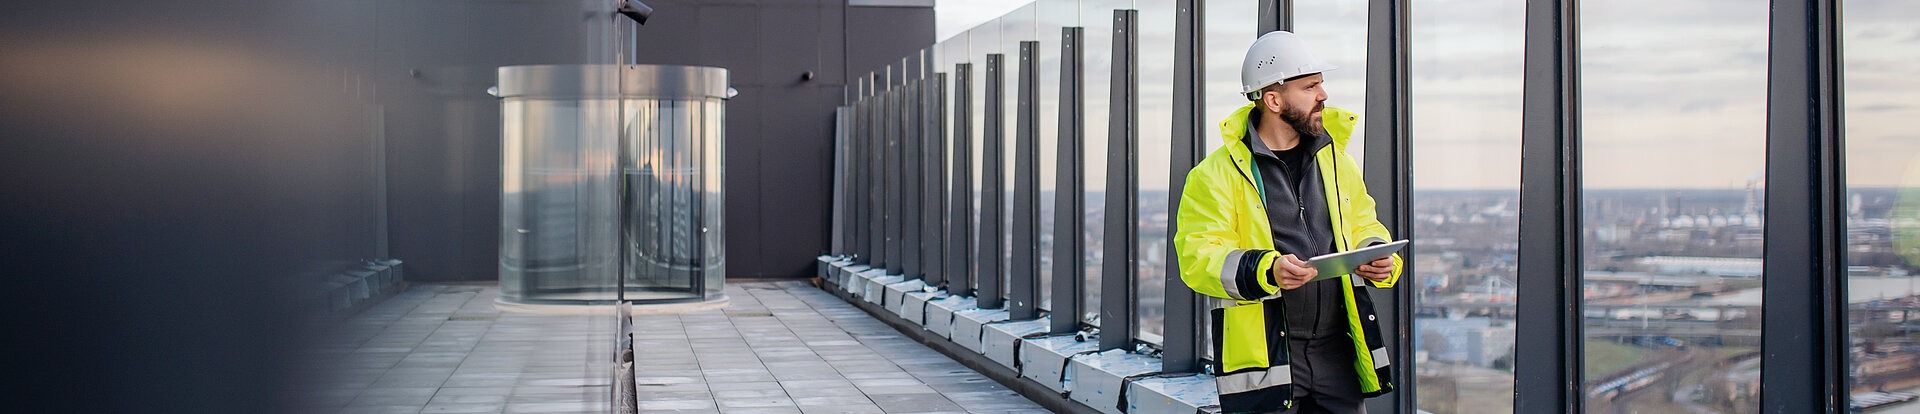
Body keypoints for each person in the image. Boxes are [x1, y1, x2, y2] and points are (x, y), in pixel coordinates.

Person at [1174, 31, 1402, 414]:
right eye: (1310, 86)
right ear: (1273, 99)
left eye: (1321, 84)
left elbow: (1365, 223)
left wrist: (1375, 253)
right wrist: (1267, 269)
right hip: (1268, 359)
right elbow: (1198, 257)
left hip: (1337, 354)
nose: (1323, 96)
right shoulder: (1213, 175)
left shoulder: (1335, 160)